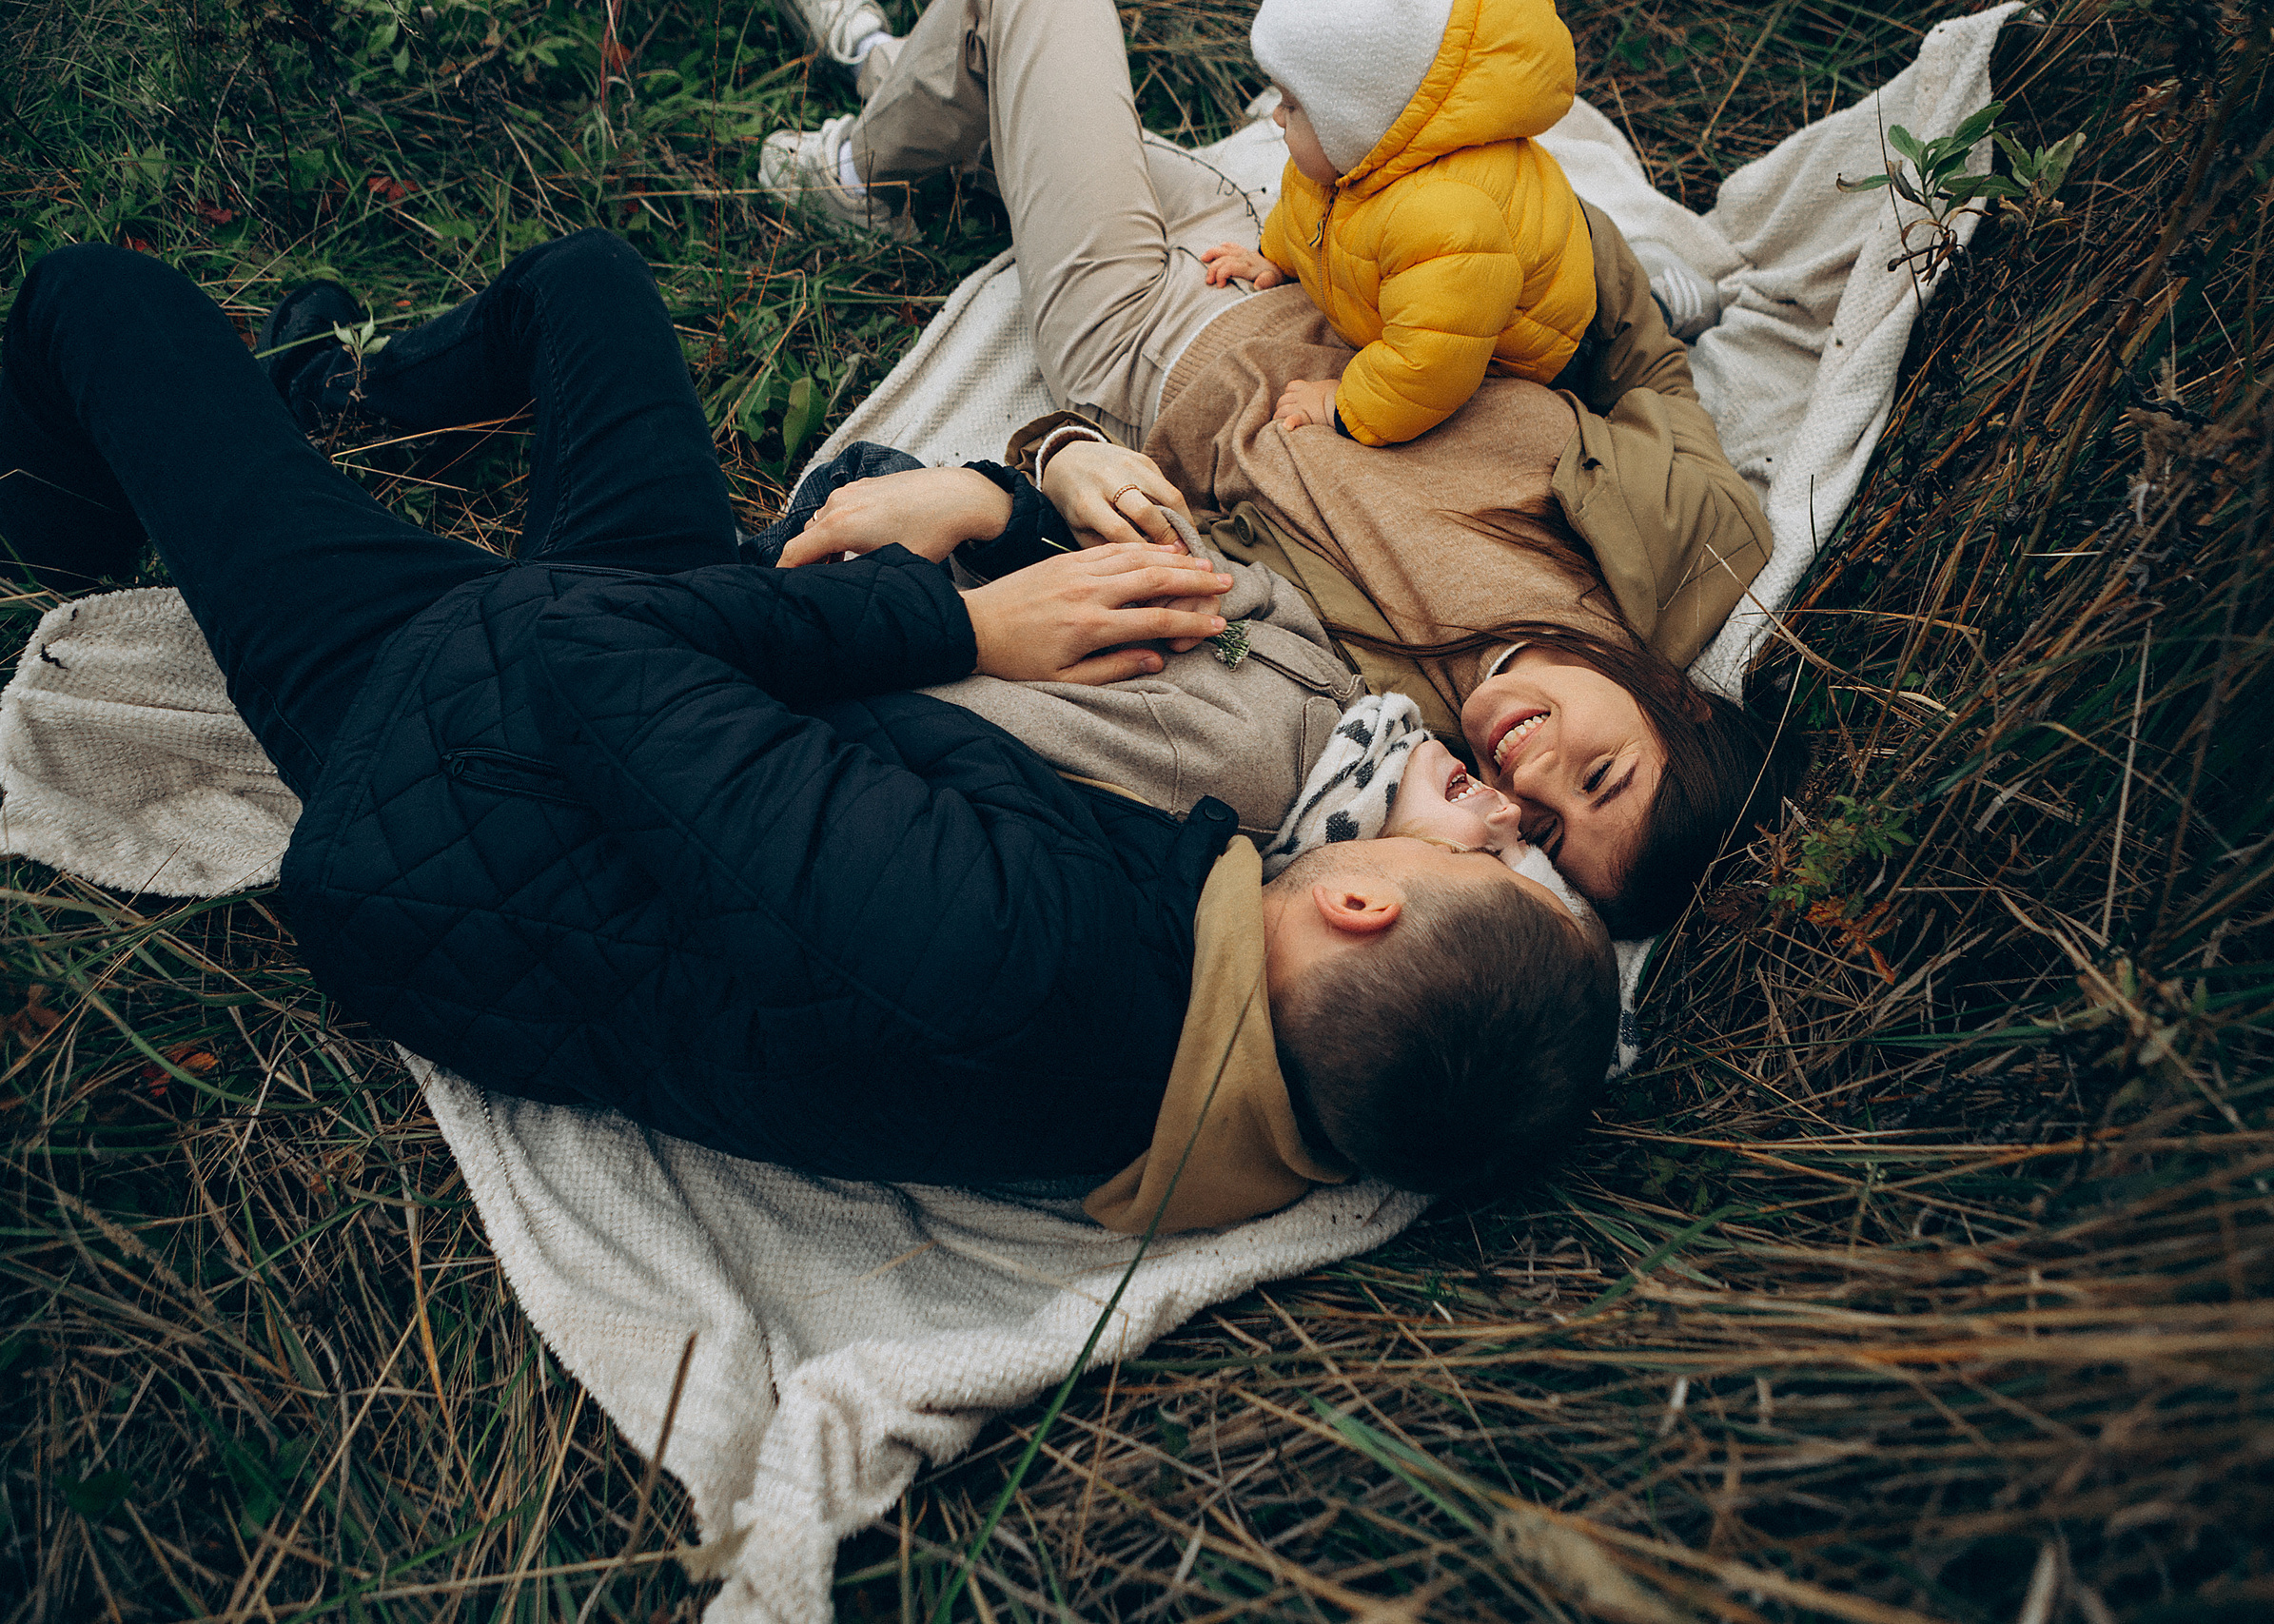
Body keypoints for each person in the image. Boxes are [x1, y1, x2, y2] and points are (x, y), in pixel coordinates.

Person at [0, 231, 1620, 1233]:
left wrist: (963, 625)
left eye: (1498, 862)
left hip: (442, 735)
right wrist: (993, 512)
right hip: (660, 677)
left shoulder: (1025, 949)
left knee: (97, 297)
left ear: (1363, 900)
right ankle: (346, 393)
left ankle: (53, 523)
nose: (1494, 814)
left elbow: (577, 651)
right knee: (589, 283)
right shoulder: (1210, 1067)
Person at [765, 0, 1803, 943]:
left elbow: (1132, 552)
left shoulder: (1376, 732)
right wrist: (1558, 244)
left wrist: (1058, 452)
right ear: (1683, 705)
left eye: (1546, 832)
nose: (1531, 779)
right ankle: (896, 96)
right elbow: (1645, 363)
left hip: (1142, 336)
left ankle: (864, 154)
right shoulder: (1692, 544)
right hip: (1304, 242)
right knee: (1018, 93)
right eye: (1600, 776)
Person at [1195, 0, 1596, 448]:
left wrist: (1344, 404)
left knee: (1620, 373)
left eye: (1292, 104)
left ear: (1355, 122)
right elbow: (1307, 213)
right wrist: (1273, 258)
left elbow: (1434, 360)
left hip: (1550, 344)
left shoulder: (1438, 219)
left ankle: (1645, 329)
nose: (1276, 116)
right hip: (1492, 287)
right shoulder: (1338, 166)